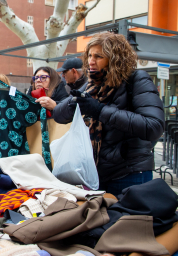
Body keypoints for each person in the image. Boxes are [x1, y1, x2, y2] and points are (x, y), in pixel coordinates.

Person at [53, 32, 164, 196]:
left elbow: (153, 126)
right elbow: (58, 115)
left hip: (129, 174)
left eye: (98, 56)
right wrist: (73, 103)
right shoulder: (92, 84)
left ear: (115, 59)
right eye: (90, 55)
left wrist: (99, 110)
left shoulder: (137, 79)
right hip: (96, 175)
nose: (91, 61)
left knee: (128, 222)